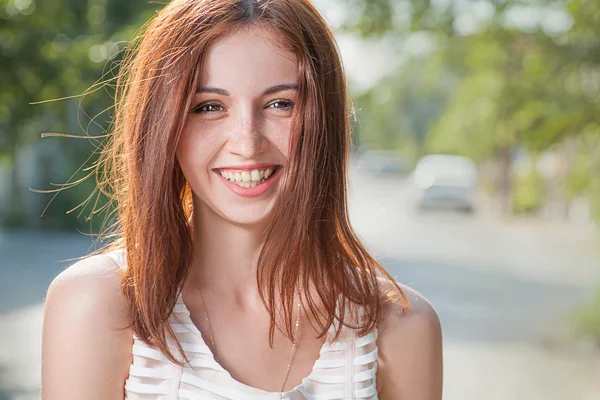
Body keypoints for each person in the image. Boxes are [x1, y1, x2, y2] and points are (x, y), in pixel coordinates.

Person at [41, 0, 443, 398]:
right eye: (210, 106)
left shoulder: (402, 327)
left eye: (281, 104)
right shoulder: (96, 305)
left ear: (325, 121)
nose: (247, 143)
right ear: (164, 126)